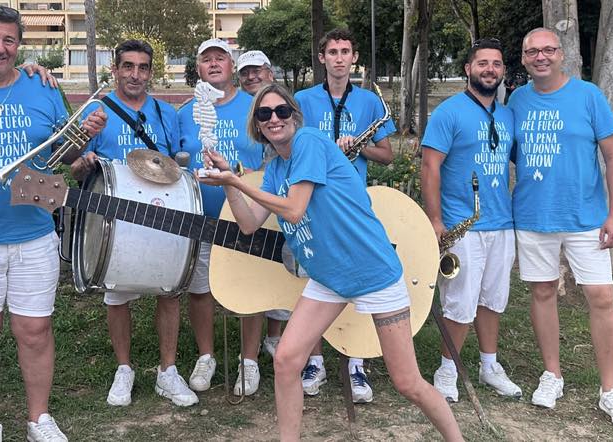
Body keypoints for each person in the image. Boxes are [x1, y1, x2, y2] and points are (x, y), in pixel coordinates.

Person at [197, 83, 463, 442]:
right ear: (257, 125)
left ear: (294, 115)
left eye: (281, 111)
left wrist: (238, 183)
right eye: (264, 114)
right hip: (329, 279)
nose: (274, 119)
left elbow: (294, 209)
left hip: (374, 273)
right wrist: (230, 180)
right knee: (287, 360)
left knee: (407, 382)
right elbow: (247, 224)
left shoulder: (308, 142)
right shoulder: (275, 169)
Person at [0, 4, 106, 441]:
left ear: (20, 45)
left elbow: (63, 156)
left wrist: (85, 137)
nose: (0, 48)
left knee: (34, 329)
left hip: (34, 232)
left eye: (9, 40)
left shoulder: (42, 88)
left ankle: (39, 418)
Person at [507, 27, 613, 430]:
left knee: (600, 298)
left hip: (586, 218)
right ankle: (552, 375)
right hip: (534, 215)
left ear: (561, 55)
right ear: (525, 58)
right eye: (533, 51)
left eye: (548, 50)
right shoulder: (516, 100)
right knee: (543, 291)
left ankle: (610, 390)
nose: (541, 56)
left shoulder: (588, 96)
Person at [69, 40, 196, 407]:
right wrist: (83, 162)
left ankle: (167, 371)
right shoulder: (98, 110)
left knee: (169, 289)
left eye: (142, 67)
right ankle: (124, 369)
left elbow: (175, 163)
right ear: (116, 69)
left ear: (150, 71)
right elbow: (74, 165)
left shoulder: (165, 113)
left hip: (161, 209)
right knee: (117, 293)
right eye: (128, 66)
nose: (135, 74)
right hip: (116, 216)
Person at [292, 28, 395, 402]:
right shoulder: (302, 100)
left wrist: (360, 148)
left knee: (356, 281)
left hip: (352, 207)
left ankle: (356, 363)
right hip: (313, 203)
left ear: (354, 58)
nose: (339, 58)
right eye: (332, 51)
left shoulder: (367, 102)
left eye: (345, 51)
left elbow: (388, 155)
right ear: (322, 58)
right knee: (314, 280)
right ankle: (314, 362)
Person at [420, 37, 522, 403]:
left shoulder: (507, 114)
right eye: (482, 63)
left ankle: (489, 365)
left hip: (501, 223)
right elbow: (430, 167)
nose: (489, 69)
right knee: (460, 302)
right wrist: (435, 220)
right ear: (468, 69)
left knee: (493, 299)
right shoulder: (448, 112)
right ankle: (447, 369)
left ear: (503, 72)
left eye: (496, 63)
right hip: (461, 224)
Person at [176, 38, 266, 396]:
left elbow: (271, 159)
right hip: (201, 214)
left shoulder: (255, 106)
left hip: (246, 214)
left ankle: (249, 360)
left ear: (232, 67)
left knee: (250, 288)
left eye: (221, 59)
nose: (214, 65)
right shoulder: (185, 112)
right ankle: (206, 356)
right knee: (200, 290)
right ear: (198, 69)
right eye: (206, 60)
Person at [234, 49, 291, 389]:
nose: (252, 77)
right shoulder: (242, 109)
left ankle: (278, 339)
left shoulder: (284, 113)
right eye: (246, 73)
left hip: (279, 203)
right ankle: (250, 358)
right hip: (254, 201)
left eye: (258, 71)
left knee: (284, 277)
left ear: (270, 72)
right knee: (254, 281)